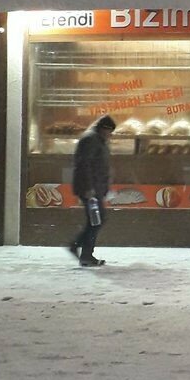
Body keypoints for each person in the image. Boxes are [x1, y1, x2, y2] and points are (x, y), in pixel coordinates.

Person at [69, 114, 115, 267]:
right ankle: (83, 253)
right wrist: (89, 188)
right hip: (89, 189)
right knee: (97, 220)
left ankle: (80, 249)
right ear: (103, 128)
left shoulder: (98, 139)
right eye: (109, 131)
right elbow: (84, 165)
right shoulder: (90, 139)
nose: (110, 135)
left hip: (95, 188)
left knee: (96, 220)